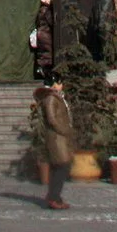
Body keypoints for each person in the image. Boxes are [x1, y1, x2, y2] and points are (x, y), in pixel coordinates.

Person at [37, 76, 74, 210]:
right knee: (62, 166)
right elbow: (52, 119)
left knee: (59, 167)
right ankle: (54, 197)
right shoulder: (52, 98)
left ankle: (54, 196)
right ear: (54, 84)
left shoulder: (55, 97)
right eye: (60, 83)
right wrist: (64, 130)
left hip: (59, 138)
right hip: (57, 138)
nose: (62, 85)